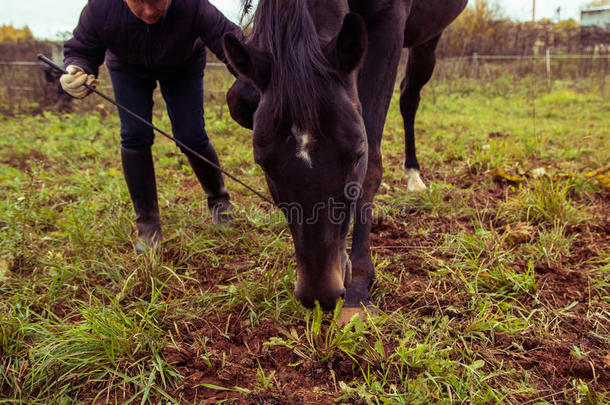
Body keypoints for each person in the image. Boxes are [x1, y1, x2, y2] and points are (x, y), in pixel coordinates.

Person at [60, 0, 242, 253]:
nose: (148, 12)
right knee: (134, 134)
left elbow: (231, 43)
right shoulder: (101, 7)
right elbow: (82, 48)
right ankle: (147, 223)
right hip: (128, 69)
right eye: (138, 3)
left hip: (183, 66)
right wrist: (76, 69)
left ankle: (219, 201)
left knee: (191, 136)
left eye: (157, 2)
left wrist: (257, 77)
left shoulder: (194, 6)